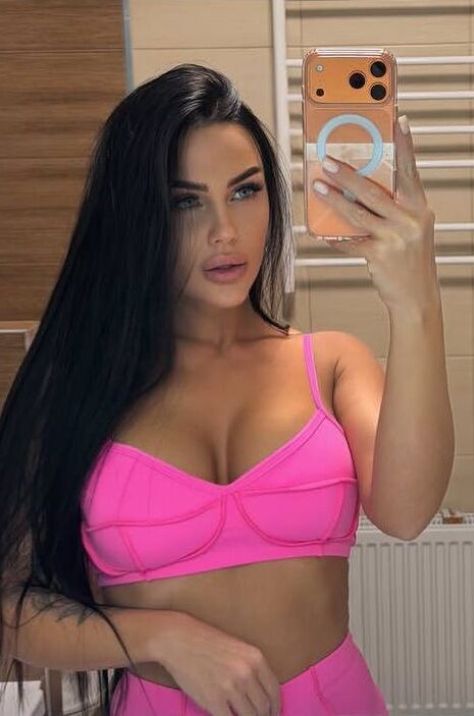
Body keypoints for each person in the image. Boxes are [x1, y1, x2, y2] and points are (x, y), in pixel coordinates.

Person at [0, 63, 393, 716]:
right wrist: (162, 637)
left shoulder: (332, 363)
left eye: (245, 191)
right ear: (137, 218)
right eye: (186, 201)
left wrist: (415, 298)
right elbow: (10, 605)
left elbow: (407, 513)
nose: (224, 231)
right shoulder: (77, 387)